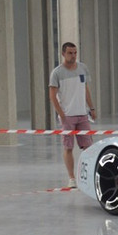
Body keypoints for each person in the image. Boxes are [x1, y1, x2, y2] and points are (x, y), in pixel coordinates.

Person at [49, 42, 96, 189]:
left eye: (75, 53)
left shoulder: (83, 68)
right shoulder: (57, 73)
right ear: (63, 54)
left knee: (88, 147)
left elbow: (85, 89)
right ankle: (71, 178)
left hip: (83, 115)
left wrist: (91, 108)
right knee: (68, 147)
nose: (73, 56)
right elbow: (52, 95)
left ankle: (88, 176)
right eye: (70, 53)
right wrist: (62, 115)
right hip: (67, 116)